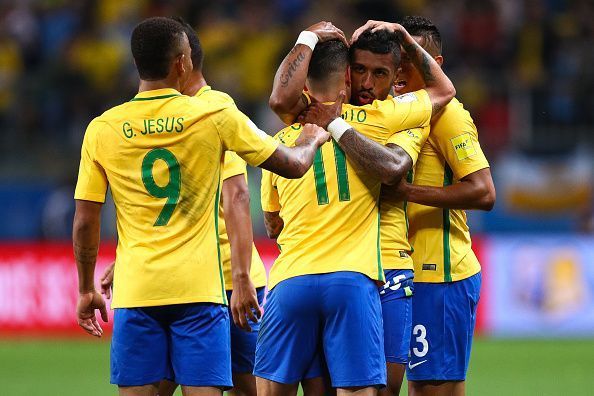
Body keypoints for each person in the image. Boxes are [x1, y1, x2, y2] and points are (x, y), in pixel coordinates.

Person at [73, 16, 329, 396]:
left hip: (138, 290)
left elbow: (84, 222)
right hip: (199, 291)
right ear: (182, 62)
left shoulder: (102, 128)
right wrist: (312, 138)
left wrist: (85, 287)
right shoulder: (212, 116)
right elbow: (290, 166)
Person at [256, 23, 454, 396]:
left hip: (299, 276)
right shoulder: (386, 118)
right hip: (356, 276)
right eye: (360, 70)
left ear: (395, 76)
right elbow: (444, 90)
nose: (367, 82)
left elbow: (272, 224)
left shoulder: (285, 136)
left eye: (379, 73)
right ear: (347, 75)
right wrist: (404, 37)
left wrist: (307, 37)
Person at [97, 18, 269, 396]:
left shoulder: (214, 109)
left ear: (183, 62)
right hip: (188, 282)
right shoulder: (169, 117)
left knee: (250, 388)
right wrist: (126, 257)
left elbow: (237, 194)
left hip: (227, 278)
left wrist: (241, 277)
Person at [355, 17, 496, 396]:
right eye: (397, 60)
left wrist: (408, 192)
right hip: (398, 272)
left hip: (440, 274)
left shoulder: (448, 117)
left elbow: (484, 192)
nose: (400, 70)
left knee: (431, 389)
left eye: (412, 60)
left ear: (436, 64)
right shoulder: (395, 112)